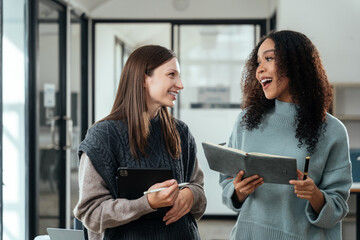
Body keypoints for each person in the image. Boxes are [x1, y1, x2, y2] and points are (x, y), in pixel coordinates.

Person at [220, 30, 352, 239]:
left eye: (269, 58)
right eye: (258, 62)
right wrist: (238, 192)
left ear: (295, 64)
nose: (259, 69)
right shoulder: (246, 120)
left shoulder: (332, 130)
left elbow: (336, 209)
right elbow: (227, 182)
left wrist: (315, 196)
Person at [74, 45, 206, 240]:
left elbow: (199, 191)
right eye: (172, 75)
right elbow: (91, 214)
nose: (180, 84)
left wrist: (191, 195)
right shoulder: (102, 136)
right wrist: (146, 204)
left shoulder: (181, 132)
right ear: (144, 79)